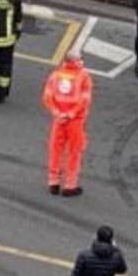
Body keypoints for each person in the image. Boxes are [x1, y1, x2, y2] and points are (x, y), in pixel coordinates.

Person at [42, 50, 93, 196]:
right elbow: (85, 100)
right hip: (75, 121)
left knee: (55, 149)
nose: (82, 62)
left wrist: (57, 113)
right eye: (80, 59)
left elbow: (47, 97)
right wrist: (71, 114)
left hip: (59, 120)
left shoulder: (55, 75)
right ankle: (70, 185)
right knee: (74, 151)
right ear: (74, 62)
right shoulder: (83, 76)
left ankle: (53, 181)